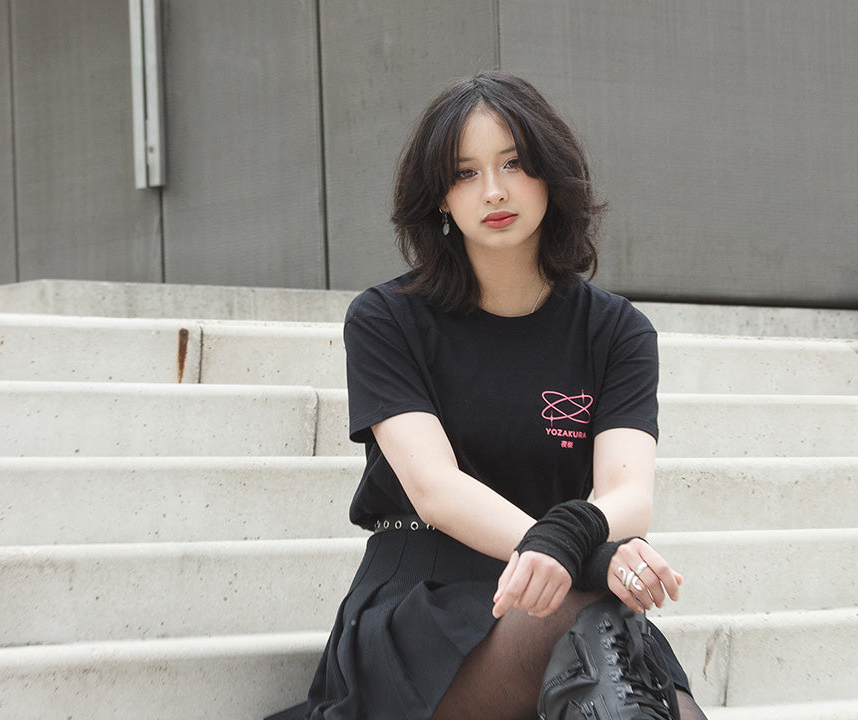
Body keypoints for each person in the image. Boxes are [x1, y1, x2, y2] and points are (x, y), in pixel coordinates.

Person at [266, 71, 706, 720]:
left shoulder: (616, 331)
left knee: (622, 660)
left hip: (563, 585)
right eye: (465, 173)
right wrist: (582, 556)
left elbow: (628, 493)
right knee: (588, 627)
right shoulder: (387, 319)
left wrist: (568, 549)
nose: (493, 190)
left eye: (514, 164)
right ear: (440, 198)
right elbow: (436, 490)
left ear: (551, 176)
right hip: (425, 594)